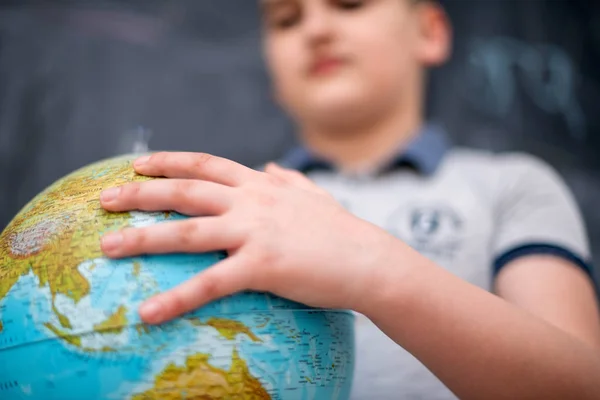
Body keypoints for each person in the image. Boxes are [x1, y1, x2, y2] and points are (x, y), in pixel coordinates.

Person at [98, 0, 600, 398]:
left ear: (430, 32)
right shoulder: (232, 204)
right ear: (272, 72)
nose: (316, 29)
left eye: (351, 4)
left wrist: (368, 266)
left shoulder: (513, 185)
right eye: (287, 19)